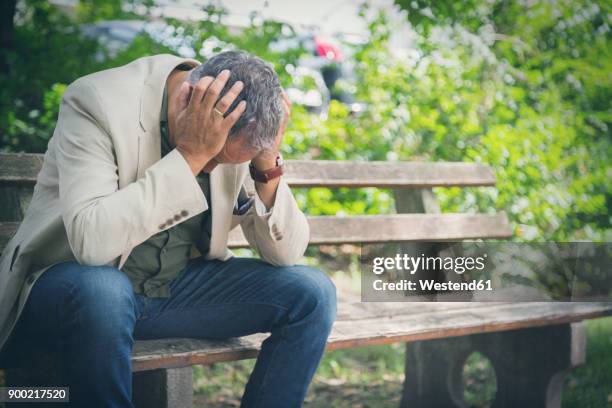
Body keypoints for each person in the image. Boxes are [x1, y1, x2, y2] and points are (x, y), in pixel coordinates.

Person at [0, 50, 337, 407]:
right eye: (215, 160)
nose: (212, 170)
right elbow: (91, 243)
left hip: (170, 293)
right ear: (186, 101)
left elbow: (286, 254)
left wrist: (266, 164)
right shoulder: (97, 101)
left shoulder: (237, 124)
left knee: (313, 292)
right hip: (72, 293)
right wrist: (192, 155)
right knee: (104, 289)